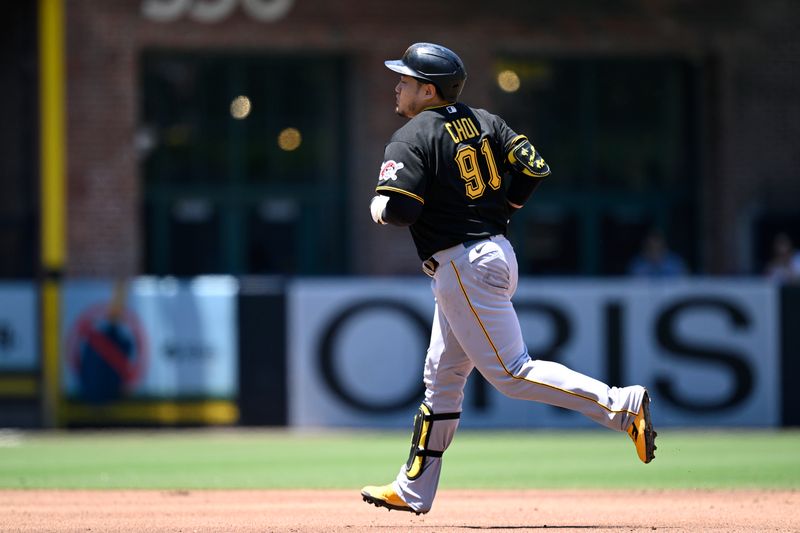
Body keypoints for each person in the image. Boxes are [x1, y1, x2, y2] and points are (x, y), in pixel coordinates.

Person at [361, 43, 657, 515]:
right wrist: (506, 207)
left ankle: (620, 405)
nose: (397, 84)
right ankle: (413, 489)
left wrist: (379, 210)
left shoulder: (412, 135)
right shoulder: (484, 120)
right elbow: (534, 167)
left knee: (513, 374)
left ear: (428, 89)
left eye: (406, 79)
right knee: (442, 377)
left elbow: (400, 209)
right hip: (492, 252)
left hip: (462, 265)